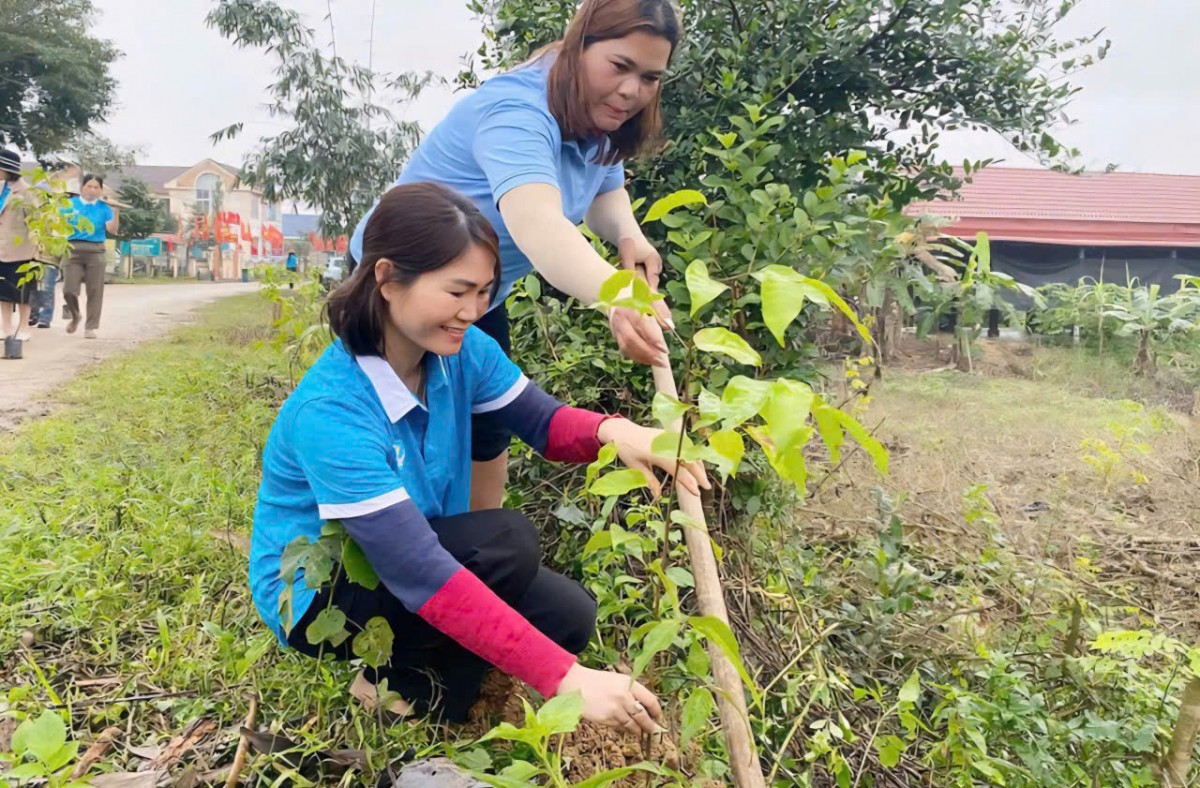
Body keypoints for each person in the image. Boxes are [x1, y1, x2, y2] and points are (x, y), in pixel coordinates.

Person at [251, 183, 709, 730]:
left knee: (569, 616)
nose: (472, 311)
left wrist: (620, 431)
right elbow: (417, 569)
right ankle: (393, 692)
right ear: (387, 278)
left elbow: (543, 422)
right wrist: (566, 679)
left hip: (403, 559)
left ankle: (401, 684)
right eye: (457, 291)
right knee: (506, 544)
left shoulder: (460, 351)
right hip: (323, 598)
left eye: (485, 292)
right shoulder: (333, 412)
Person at [349, 0, 682, 512]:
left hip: (481, 293)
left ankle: (479, 553)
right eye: (620, 66)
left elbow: (603, 190)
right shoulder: (519, 112)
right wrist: (619, 298)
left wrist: (628, 236)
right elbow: (539, 225)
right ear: (580, 43)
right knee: (401, 431)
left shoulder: (600, 114)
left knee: (488, 424)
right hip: (402, 288)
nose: (632, 91)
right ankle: (399, 564)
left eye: (650, 77)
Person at [62, 174, 118, 339]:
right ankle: (75, 314)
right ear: (82, 187)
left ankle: (91, 327)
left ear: (100, 190)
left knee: (95, 290)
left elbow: (112, 230)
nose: (92, 190)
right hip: (72, 249)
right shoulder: (70, 204)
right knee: (69, 289)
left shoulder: (104, 207)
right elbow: (59, 225)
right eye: (89, 186)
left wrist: (116, 211)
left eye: (96, 187)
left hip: (96, 251)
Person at [0, 149, 37, 342]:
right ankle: (6, 326)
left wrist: (36, 250)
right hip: (1, 248)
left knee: (23, 292)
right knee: (3, 291)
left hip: (22, 251)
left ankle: (24, 327)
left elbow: (36, 221)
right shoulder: (0, 188)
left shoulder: (26, 192)